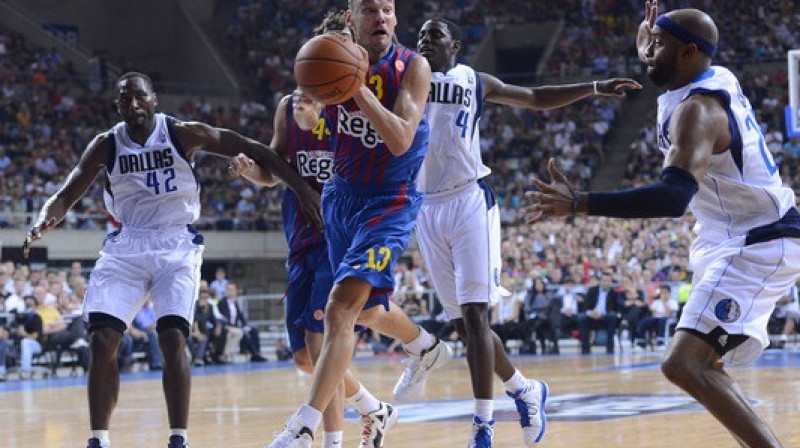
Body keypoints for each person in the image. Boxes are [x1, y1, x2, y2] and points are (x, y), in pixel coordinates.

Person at [526, 4, 800, 447]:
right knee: (701, 364)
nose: (650, 51)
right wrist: (650, 47)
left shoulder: (699, 111)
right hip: (725, 231)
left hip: (758, 239)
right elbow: (669, 59)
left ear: (690, 52)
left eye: (660, 46)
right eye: (650, 43)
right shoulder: (707, 70)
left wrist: (580, 202)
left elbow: (673, 198)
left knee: (683, 365)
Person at [21, 71, 322, 448]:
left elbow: (257, 149)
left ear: (153, 99)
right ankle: (98, 439)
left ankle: (178, 438)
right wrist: (43, 218)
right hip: (127, 245)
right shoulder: (106, 144)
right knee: (101, 340)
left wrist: (303, 188)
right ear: (117, 106)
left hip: (175, 243)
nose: (132, 104)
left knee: (172, 337)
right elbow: (68, 191)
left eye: (138, 97)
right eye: (125, 99)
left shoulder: (183, 133)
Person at [414, 17, 640, 446]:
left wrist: (593, 87)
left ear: (455, 46)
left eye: (435, 35)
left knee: (478, 316)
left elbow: (536, 97)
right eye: (421, 35)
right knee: (463, 327)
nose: (425, 40)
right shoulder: (409, 77)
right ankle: (524, 389)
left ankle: (483, 425)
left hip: (468, 200)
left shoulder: (474, 80)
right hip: (427, 207)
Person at [265, 2, 454, 447]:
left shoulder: (413, 66)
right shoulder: (329, 58)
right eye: (370, 10)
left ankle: (303, 428)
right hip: (340, 197)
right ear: (351, 20)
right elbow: (317, 126)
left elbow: (400, 137)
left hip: (389, 201)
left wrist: (356, 89)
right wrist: (313, 121)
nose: (381, 17)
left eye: (388, 9)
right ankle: (426, 346)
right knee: (365, 311)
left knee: (338, 311)